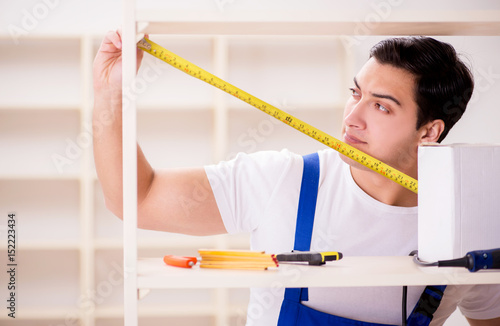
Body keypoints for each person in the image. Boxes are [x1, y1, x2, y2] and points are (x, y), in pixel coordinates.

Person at [93, 30, 500, 325]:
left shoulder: (470, 229)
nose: (351, 118)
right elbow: (136, 199)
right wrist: (109, 93)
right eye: (355, 93)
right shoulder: (281, 180)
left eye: (381, 107)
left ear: (429, 131)